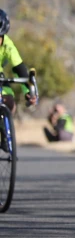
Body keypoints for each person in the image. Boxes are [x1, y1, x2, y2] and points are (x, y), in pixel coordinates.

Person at [0, 10, 38, 150]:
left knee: (9, 102)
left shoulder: (8, 45)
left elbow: (19, 70)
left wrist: (28, 91)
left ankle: (4, 133)